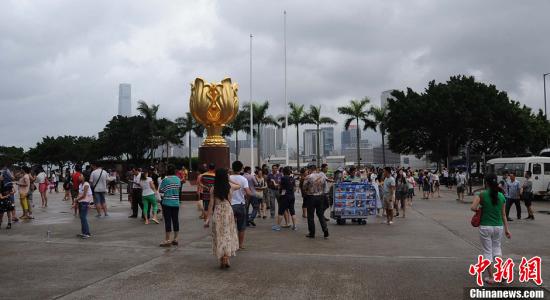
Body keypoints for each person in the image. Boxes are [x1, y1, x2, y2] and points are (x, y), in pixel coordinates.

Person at [470, 174, 511, 284]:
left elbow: (473, 207)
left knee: (487, 252)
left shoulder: (481, 195)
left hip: (485, 226)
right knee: (497, 250)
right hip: (499, 227)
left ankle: (492, 277)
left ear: (486, 183)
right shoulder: (501, 196)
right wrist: (507, 229)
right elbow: (503, 215)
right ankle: (502, 275)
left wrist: (481, 209)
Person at [205, 168, 240, 269]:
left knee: (219, 235)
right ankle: (226, 257)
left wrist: (207, 219)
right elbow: (239, 185)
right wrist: (230, 179)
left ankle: (222, 259)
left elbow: (211, 204)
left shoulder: (213, 189)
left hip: (218, 211)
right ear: (226, 176)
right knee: (227, 234)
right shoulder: (230, 187)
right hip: (228, 211)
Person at [229, 161, 253, 249]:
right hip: (240, 204)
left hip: (230, 205)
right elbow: (248, 193)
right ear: (241, 168)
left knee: (230, 226)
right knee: (241, 226)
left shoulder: (229, 178)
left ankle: (231, 243)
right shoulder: (243, 179)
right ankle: (240, 245)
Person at [303, 164, 329, 239]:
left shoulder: (308, 177)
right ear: (316, 169)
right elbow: (324, 187)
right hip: (320, 197)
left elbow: (304, 187)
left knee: (310, 216)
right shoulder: (322, 176)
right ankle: (325, 230)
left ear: (310, 169)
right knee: (320, 215)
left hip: (311, 197)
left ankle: (312, 233)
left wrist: (308, 189)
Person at [159, 164, 182, 247]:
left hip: (167, 202)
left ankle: (167, 240)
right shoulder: (178, 179)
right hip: (176, 202)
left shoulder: (165, 180)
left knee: (168, 221)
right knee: (175, 220)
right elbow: (178, 189)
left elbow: (161, 190)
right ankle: (175, 239)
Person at [272, 166, 297, 231]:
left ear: (284, 171)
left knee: (281, 211)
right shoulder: (292, 178)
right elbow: (294, 188)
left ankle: (277, 226)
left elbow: (279, 186)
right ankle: (294, 226)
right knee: (292, 211)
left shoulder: (283, 178)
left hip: (285, 197)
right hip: (292, 196)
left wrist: (275, 183)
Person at [74, 174, 92, 239]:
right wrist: (76, 202)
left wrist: (76, 200)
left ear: (84, 177)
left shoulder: (86, 184)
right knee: (81, 217)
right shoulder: (80, 185)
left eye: (80, 176)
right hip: (81, 202)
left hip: (85, 202)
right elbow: (79, 194)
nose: (79, 177)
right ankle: (84, 232)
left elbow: (84, 195)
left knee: (83, 217)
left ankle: (87, 233)